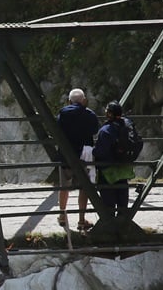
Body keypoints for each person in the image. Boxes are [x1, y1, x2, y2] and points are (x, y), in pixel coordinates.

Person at [56, 88, 99, 231]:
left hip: (66, 155)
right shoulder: (90, 114)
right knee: (84, 188)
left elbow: (56, 129)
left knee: (64, 186)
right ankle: (81, 220)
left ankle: (62, 215)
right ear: (84, 100)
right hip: (83, 156)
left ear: (69, 101)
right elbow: (94, 131)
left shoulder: (63, 114)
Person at [93, 100, 136, 218]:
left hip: (108, 170)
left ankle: (109, 222)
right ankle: (123, 221)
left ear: (109, 114)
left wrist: (93, 151)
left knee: (108, 200)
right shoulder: (127, 126)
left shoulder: (106, 130)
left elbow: (101, 151)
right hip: (124, 168)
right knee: (122, 194)